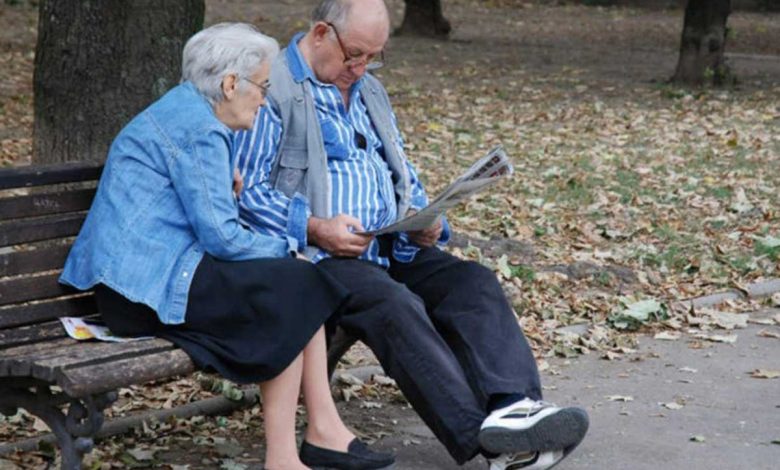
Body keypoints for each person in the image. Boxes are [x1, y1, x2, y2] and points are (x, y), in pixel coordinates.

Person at [233, 1, 590, 469]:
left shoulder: (368, 90)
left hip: (391, 245)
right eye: (354, 55)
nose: (361, 68)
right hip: (320, 259)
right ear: (321, 34)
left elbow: (400, 168)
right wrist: (315, 228)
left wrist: (425, 217)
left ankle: (516, 408)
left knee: (473, 283)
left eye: (373, 57)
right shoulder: (272, 89)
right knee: (393, 305)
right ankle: (489, 441)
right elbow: (246, 193)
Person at [60, 23, 395, 470]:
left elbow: (197, 213)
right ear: (230, 84)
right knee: (293, 282)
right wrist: (285, 247)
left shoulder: (189, 111)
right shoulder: (201, 128)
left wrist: (232, 195)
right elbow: (222, 237)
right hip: (141, 292)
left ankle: (320, 431)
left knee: (298, 284)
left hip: (146, 275)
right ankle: (292, 452)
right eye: (262, 86)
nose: (264, 99)